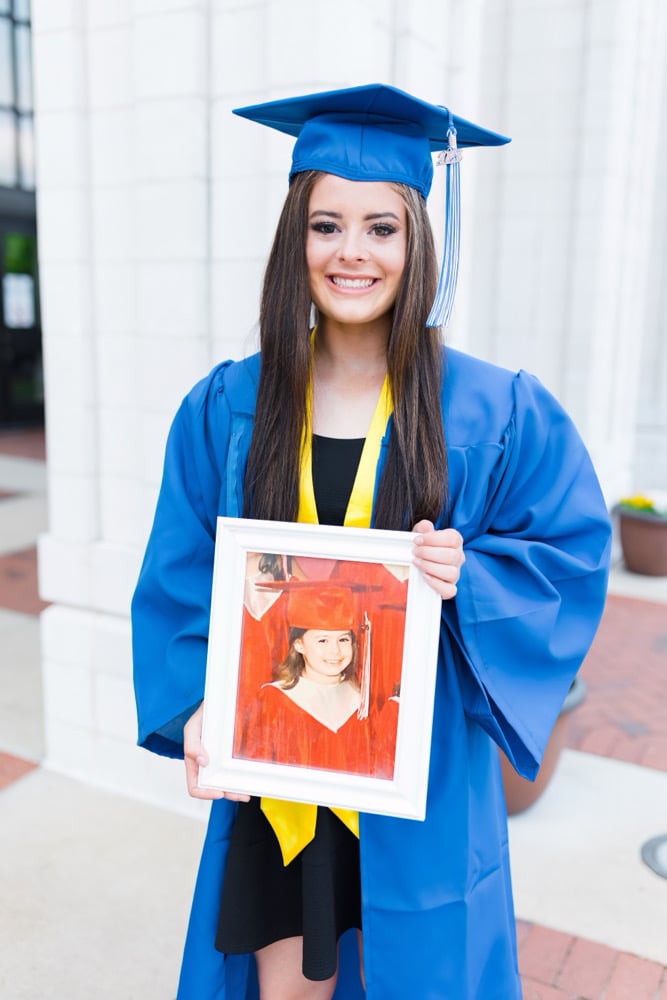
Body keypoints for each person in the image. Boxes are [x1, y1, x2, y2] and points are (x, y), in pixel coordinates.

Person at [131, 82, 611, 999]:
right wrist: (195, 702)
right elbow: (180, 566)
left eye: (380, 228)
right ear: (295, 241)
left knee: (417, 974)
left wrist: (470, 576)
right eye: (326, 226)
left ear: (416, 242)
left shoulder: (494, 408)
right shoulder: (229, 403)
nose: (351, 251)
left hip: (415, 776)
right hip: (278, 762)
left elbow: (566, 554)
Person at [235, 580, 396, 779]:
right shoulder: (272, 701)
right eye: (323, 640)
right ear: (299, 645)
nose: (335, 651)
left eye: (343, 639)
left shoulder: (362, 705)